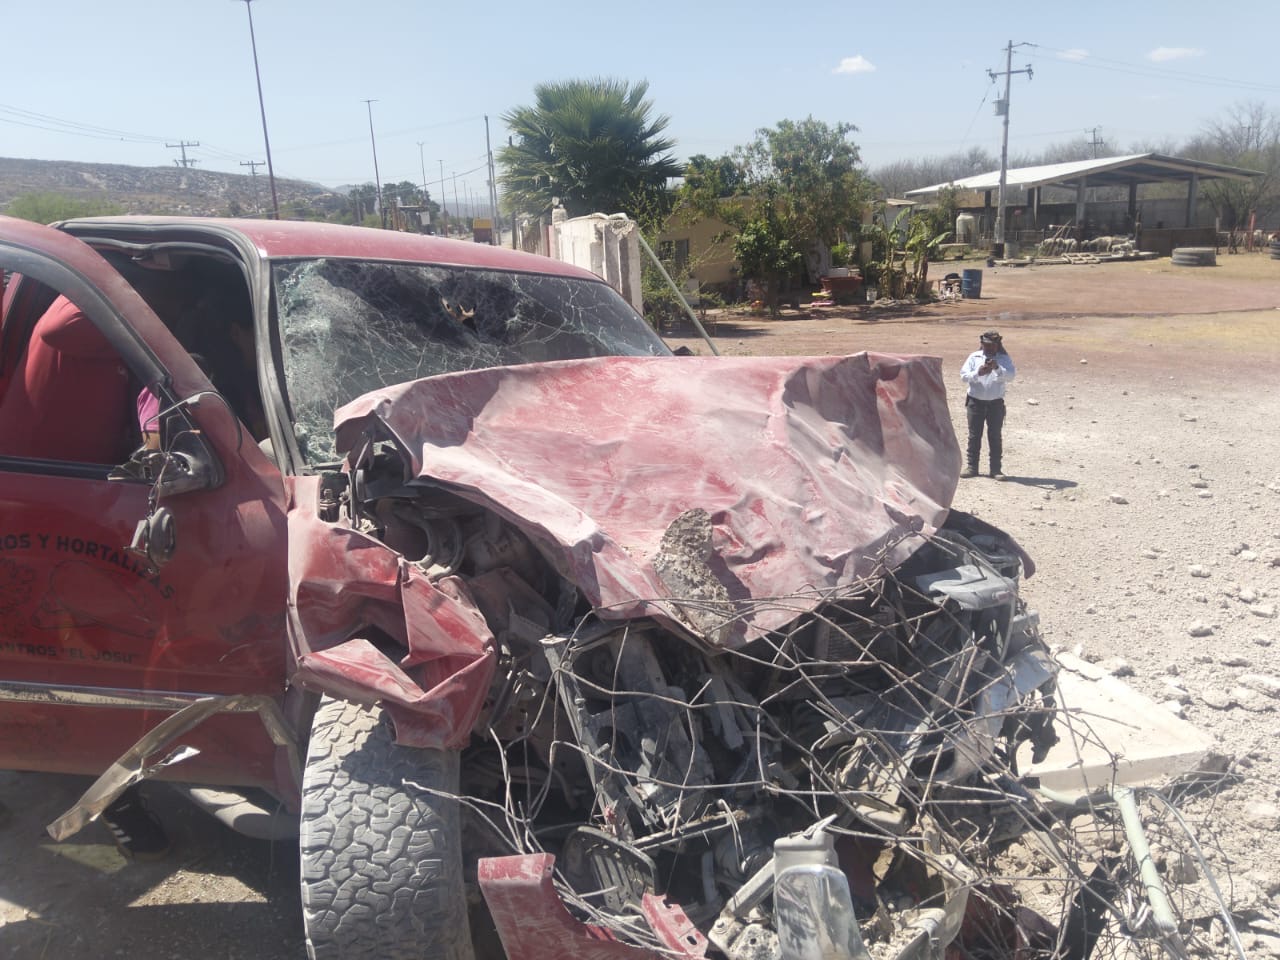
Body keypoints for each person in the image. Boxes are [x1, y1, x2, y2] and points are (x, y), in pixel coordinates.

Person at [959, 330, 1016, 480]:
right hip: (975, 402)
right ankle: (972, 467)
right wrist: (978, 373)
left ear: (998, 345)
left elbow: (1011, 376)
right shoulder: (974, 357)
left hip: (995, 404)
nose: (989, 348)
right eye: (986, 345)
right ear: (982, 344)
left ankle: (996, 469)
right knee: (974, 436)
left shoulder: (1004, 358)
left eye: (992, 345)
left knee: (995, 436)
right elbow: (963, 376)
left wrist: (997, 368)